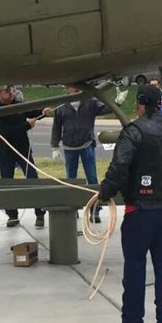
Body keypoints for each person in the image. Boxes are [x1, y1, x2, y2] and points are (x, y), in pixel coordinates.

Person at [97, 85, 162, 323]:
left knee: (135, 270)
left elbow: (120, 167)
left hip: (140, 209)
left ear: (139, 104)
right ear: (160, 104)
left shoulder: (134, 131)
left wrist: (105, 192)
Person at [49, 84, 113, 223]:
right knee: (71, 180)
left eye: (77, 86)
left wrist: (117, 102)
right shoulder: (61, 105)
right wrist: (54, 146)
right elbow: (56, 127)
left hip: (86, 145)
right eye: (72, 86)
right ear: (67, 88)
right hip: (69, 146)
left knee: (92, 178)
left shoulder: (90, 101)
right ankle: (73, 208)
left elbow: (105, 109)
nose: (75, 89)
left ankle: (95, 210)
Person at [0, 86, 48, 228]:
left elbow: (33, 111)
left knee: (33, 179)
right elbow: (7, 132)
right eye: (6, 90)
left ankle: (40, 213)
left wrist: (43, 112)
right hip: (6, 152)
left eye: (11, 90)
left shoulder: (19, 105)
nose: (10, 92)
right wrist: (27, 126)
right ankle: (12, 215)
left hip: (23, 150)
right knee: (7, 184)